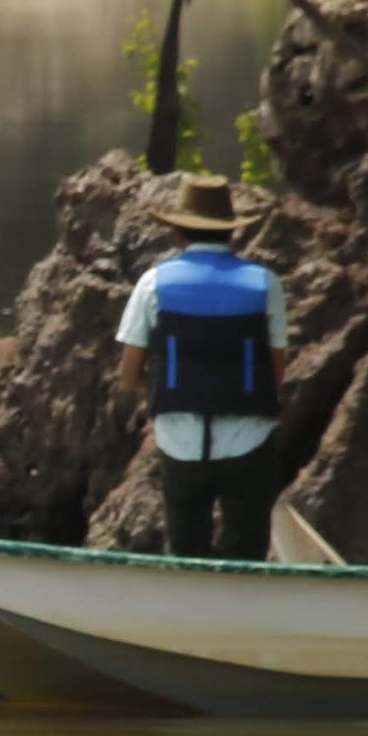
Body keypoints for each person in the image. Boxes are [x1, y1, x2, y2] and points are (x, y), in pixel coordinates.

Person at [110, 171, 294, 559]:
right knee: (245, 557)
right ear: (232, 233)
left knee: (186, 554)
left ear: (179, 233)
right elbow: (276, 374)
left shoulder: (152, 283)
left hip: (180, 442)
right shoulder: (265, 284)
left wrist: (170, 393)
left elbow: (128, 375)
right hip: (249, 438)